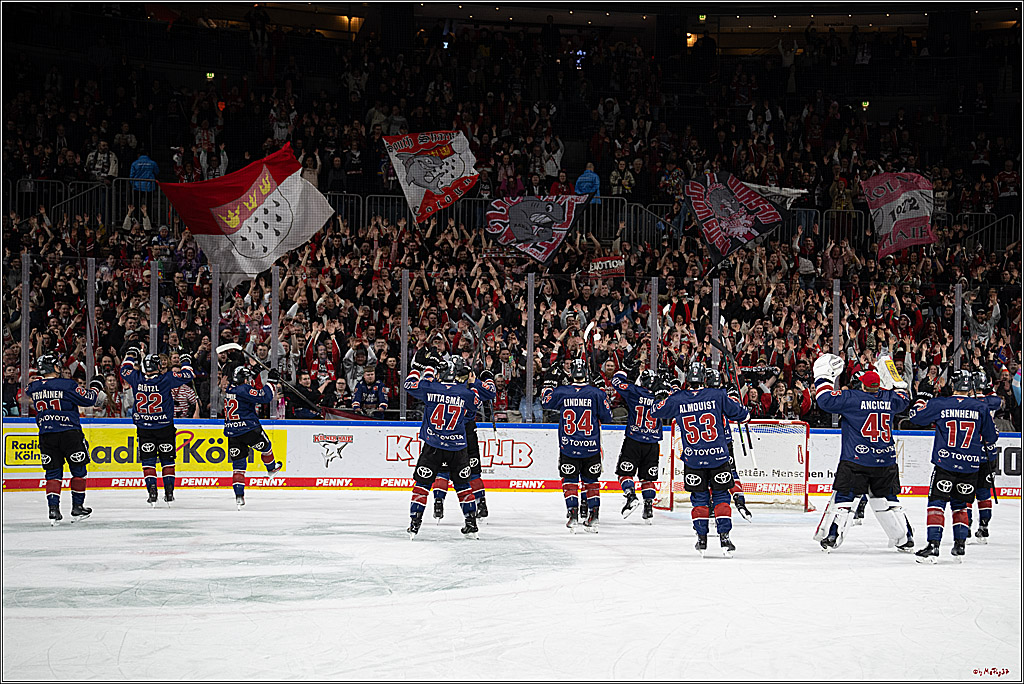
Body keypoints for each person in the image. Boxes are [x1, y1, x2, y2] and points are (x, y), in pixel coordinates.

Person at [811, 354, 914, 553]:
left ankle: (833, 536)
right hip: (885, 461)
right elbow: (904, 397)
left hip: (856, 460)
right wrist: (895, 379)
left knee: (845, 499)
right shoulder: (890, 398)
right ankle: (905, 537)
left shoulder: (852, 399)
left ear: (863, 386)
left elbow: (824, 400)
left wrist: (823, 376)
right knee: (888, 500)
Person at [652, 363, 750, 557]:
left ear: (687, 378)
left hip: (694, 459)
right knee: (722, 496)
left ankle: (701, 539)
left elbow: (656, 411)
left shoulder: (678, 398)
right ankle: (725, 538)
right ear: (704, 378)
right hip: (719, 456)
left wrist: (661, 392)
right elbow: (743, 415)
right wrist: (735, 399)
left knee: (700, 499)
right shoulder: (718, 395)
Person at [907, 369, 998, 563]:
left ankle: (933, 546)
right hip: (971, 466)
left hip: (945, 463)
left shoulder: (940, 404)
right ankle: (960, 545)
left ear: (952, 385)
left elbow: (915, 417)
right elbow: (991, 437)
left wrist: (923, 396)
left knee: (937, 503)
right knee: (960, 505)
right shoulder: (980, 407)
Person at [403, 357, 483, 539]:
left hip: (433, 445)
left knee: (422, 484)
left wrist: (420, 368)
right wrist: (472, 383)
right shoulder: (465, 392)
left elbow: (409, 385)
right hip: (458, 447)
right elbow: (475, 404)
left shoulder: (430, 387)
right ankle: (471, 523)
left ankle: (415, 522)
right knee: (463, 485)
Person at [27, 353, 100, 524]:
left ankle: (53, 510)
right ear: (53, 367)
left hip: (46, 434)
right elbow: (89, 399)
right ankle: (77, 507)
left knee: (52, 473)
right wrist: (96, 385)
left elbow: (27, 393)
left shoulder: (33, 387)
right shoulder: (67, 384)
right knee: (78, 469)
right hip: (70, 434)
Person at [542, 358, 613, 532]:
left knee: (570, 481)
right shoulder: (596, 393)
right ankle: (594, 516)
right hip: (591, 447)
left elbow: (545, 401)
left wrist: (549, 383)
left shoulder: (562, 392)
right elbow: (608, 417)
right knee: (591, 482)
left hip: (569, 446)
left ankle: (572, 515)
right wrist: (602, 391)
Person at [119, 349, 195, 506]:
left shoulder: (136, 378)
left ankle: (152, 493)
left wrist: (131, 355)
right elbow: (188, 375)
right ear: (158, 366)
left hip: (144, 427)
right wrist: (185, 360)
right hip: (164, 427)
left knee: (148, 461)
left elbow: (123, 370)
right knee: (167, 461)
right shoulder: (166, 379)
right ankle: (169, 493)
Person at [432, 366, 497, 521]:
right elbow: (491, 391)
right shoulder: (471, 389)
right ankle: (481, 503)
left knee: (443, 469)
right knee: (473, 471)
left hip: (446, 431)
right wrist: (486, 377)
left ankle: (438, 501)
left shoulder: (444, 388)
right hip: (467, 431)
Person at [223, 365, 282, 509]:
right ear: (244, 379)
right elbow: (265, 396)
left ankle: (239, 496)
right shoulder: (244, 389)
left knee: (238, 467)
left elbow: (243, 385)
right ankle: (271, 468)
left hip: (232, 432)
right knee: (266, 447)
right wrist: (272, 382)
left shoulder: (230, 388)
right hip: (249, 430)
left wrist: (254, 373)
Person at [610, 366, 662, 522]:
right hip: (652, 443)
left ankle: (631, 495)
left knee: (624, 473)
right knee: (648, 478)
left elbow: (616, 381)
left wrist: (624, 371)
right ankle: (648, 508)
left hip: (634, 440)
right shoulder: (661, 397)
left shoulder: (634, 391)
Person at [705, 367, 753, 521]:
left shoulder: (700, 396)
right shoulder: (725, 396)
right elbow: (741, 413)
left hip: (707, 443)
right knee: (731, 472)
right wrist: (734, 389)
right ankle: (740, 500)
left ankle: (711, 504)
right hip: (725, 442)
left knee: (708, 476)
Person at [969, 370, 1003, 542]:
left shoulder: (968, 403)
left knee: (965, 492)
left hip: (970, 453)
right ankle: (984, 526)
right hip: (989, 453)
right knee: (984, 492)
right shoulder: (993, 401)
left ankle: (965, 525)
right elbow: (994, 396)